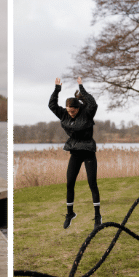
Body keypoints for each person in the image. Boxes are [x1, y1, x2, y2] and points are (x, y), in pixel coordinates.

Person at [49, 77, 101, 229]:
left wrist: (81, 87)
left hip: (88, 152)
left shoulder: (87, 113)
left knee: (92, 183)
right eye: (68, 111)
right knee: (70, 183)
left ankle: (97, 216)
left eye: (72, 111)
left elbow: (93, 103)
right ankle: (70, 213)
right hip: (75, 152)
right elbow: (51, 105)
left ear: (78, 109)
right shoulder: (64, 114)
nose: (70, 113)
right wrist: (57, 90)